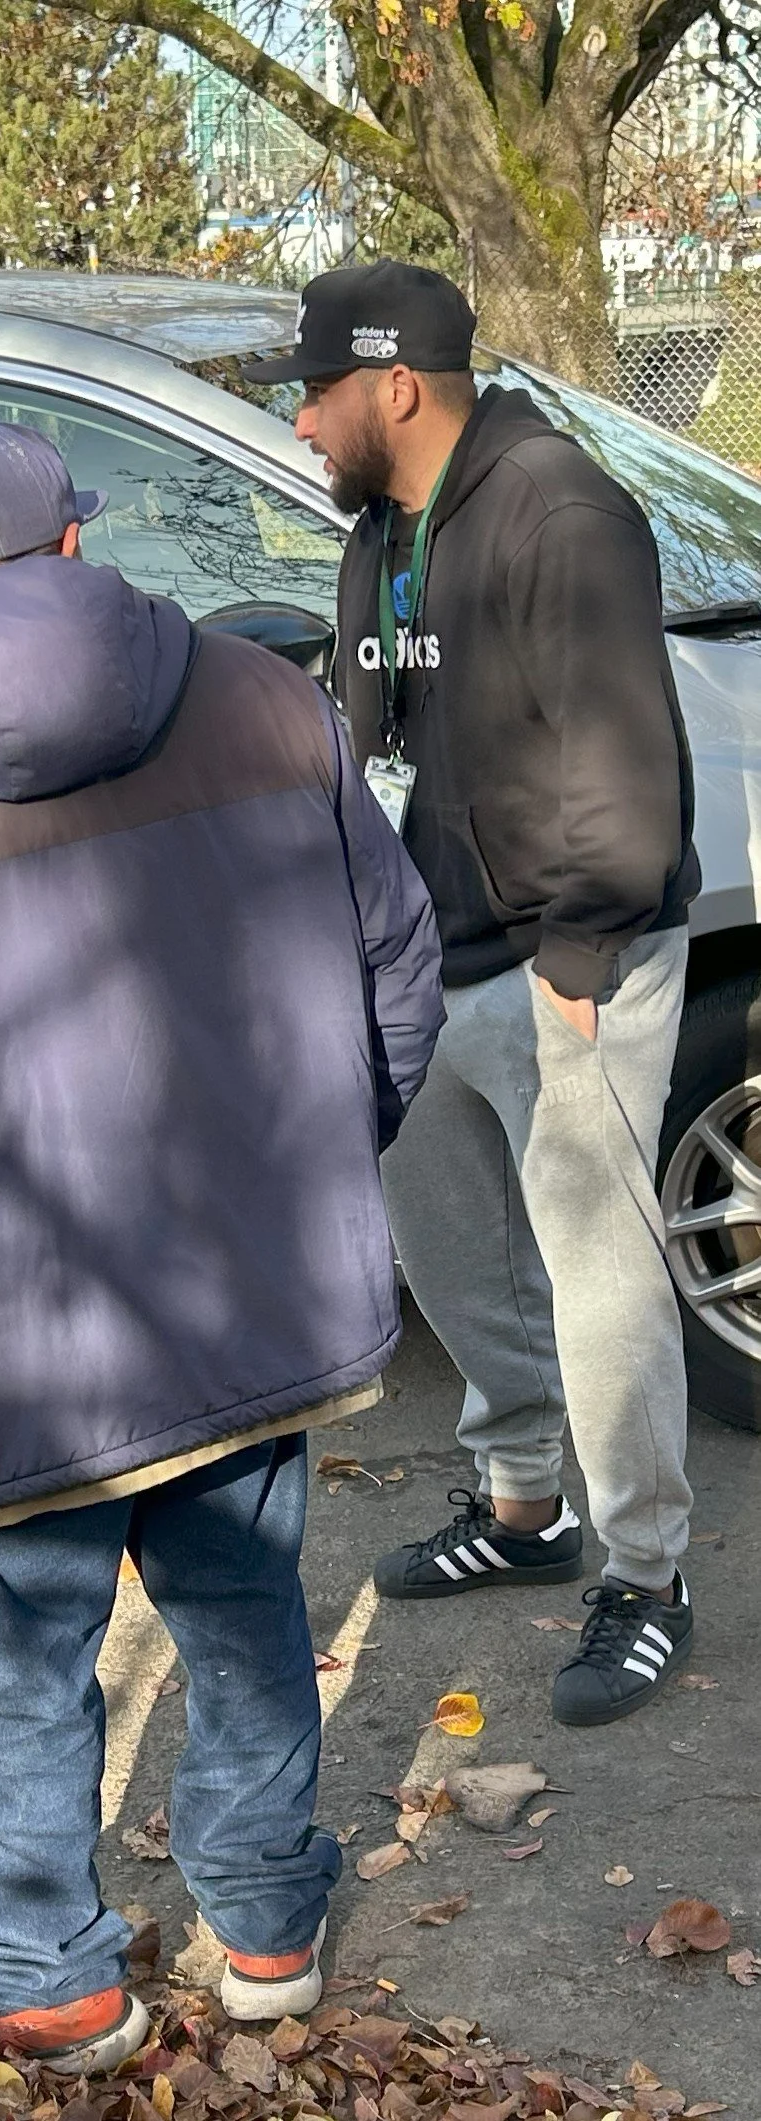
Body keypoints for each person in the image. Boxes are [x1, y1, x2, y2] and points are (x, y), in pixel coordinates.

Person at [0, 419, 443, 2065]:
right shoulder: (270, 701)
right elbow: (399, 971)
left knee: (15, 1657)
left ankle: (46, 1979)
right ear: (72, 551)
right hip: (251, 1301)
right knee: (246, 1612)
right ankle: (266, 1937)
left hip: (12, 1343)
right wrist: (309, 1172)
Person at [251, 259, 701, 1726]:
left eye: (313, 393)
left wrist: (580, 953)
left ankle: (643, 1575)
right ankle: (524, 1512)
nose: (301, 423)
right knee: (447, 1249)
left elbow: (623, 755)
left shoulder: (554, 510)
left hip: (565, 960)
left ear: (390, 384)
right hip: (422, 955)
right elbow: (370, 731)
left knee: (595, 1277)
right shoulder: (379, 528)